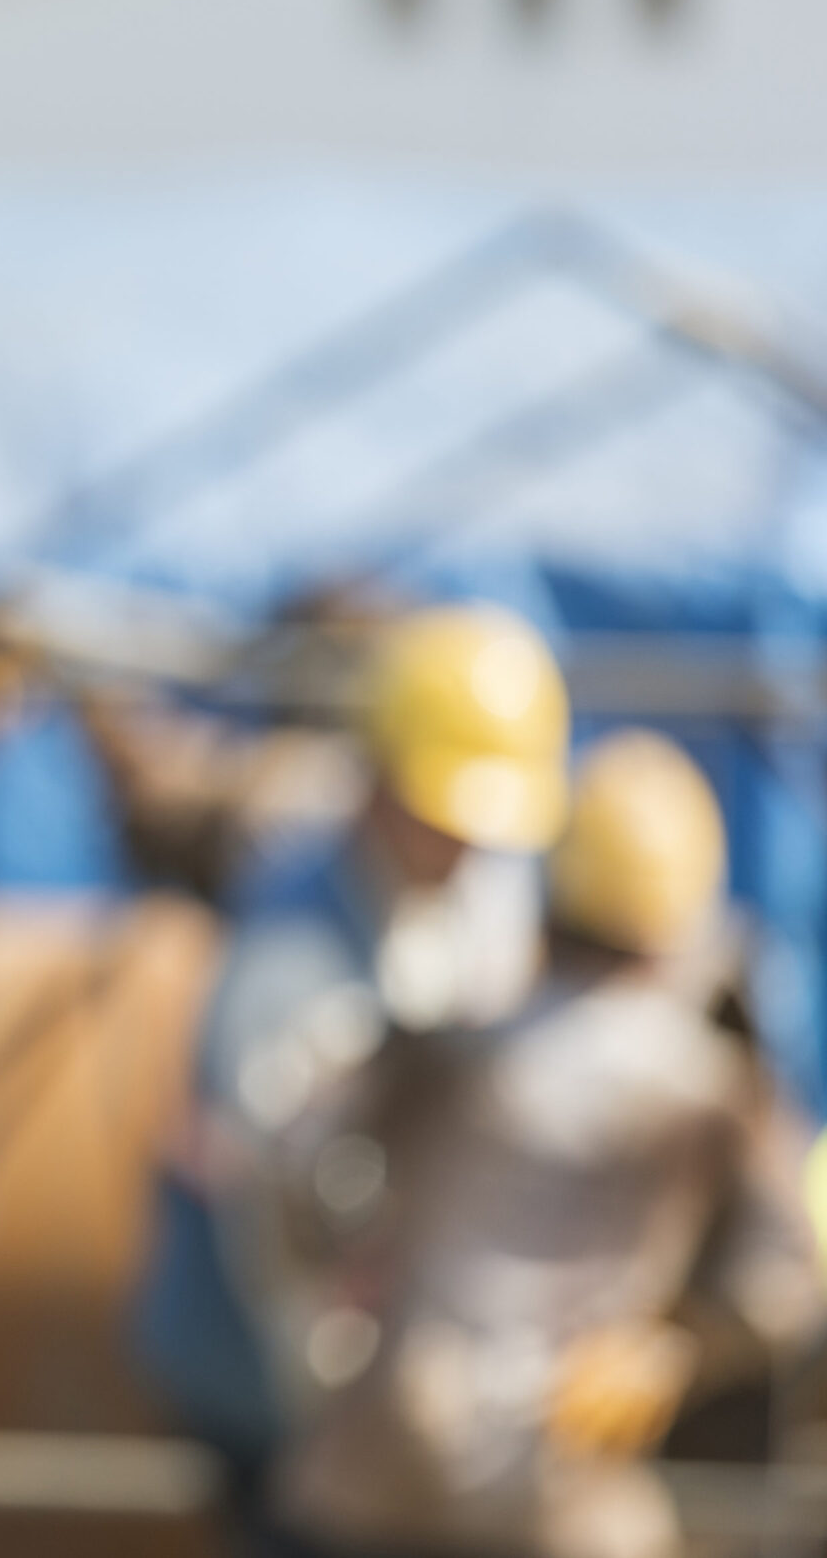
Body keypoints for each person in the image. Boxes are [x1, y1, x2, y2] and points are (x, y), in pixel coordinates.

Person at [270, 729, 823, 1558]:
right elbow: (792, 1272)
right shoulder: (710, 1088)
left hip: (376, 1470)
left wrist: (347, 1283)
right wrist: (672, 1348)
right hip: (557, 1493)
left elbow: (299, 1168)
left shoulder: (444, 1048)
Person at [133, 602, 569, 1513]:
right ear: (379, 782)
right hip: (276, 1386)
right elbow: (279, 1245)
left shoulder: (472, 891)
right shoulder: (287, 972)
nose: (469, 847)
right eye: (446, 818)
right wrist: (353, 1427)